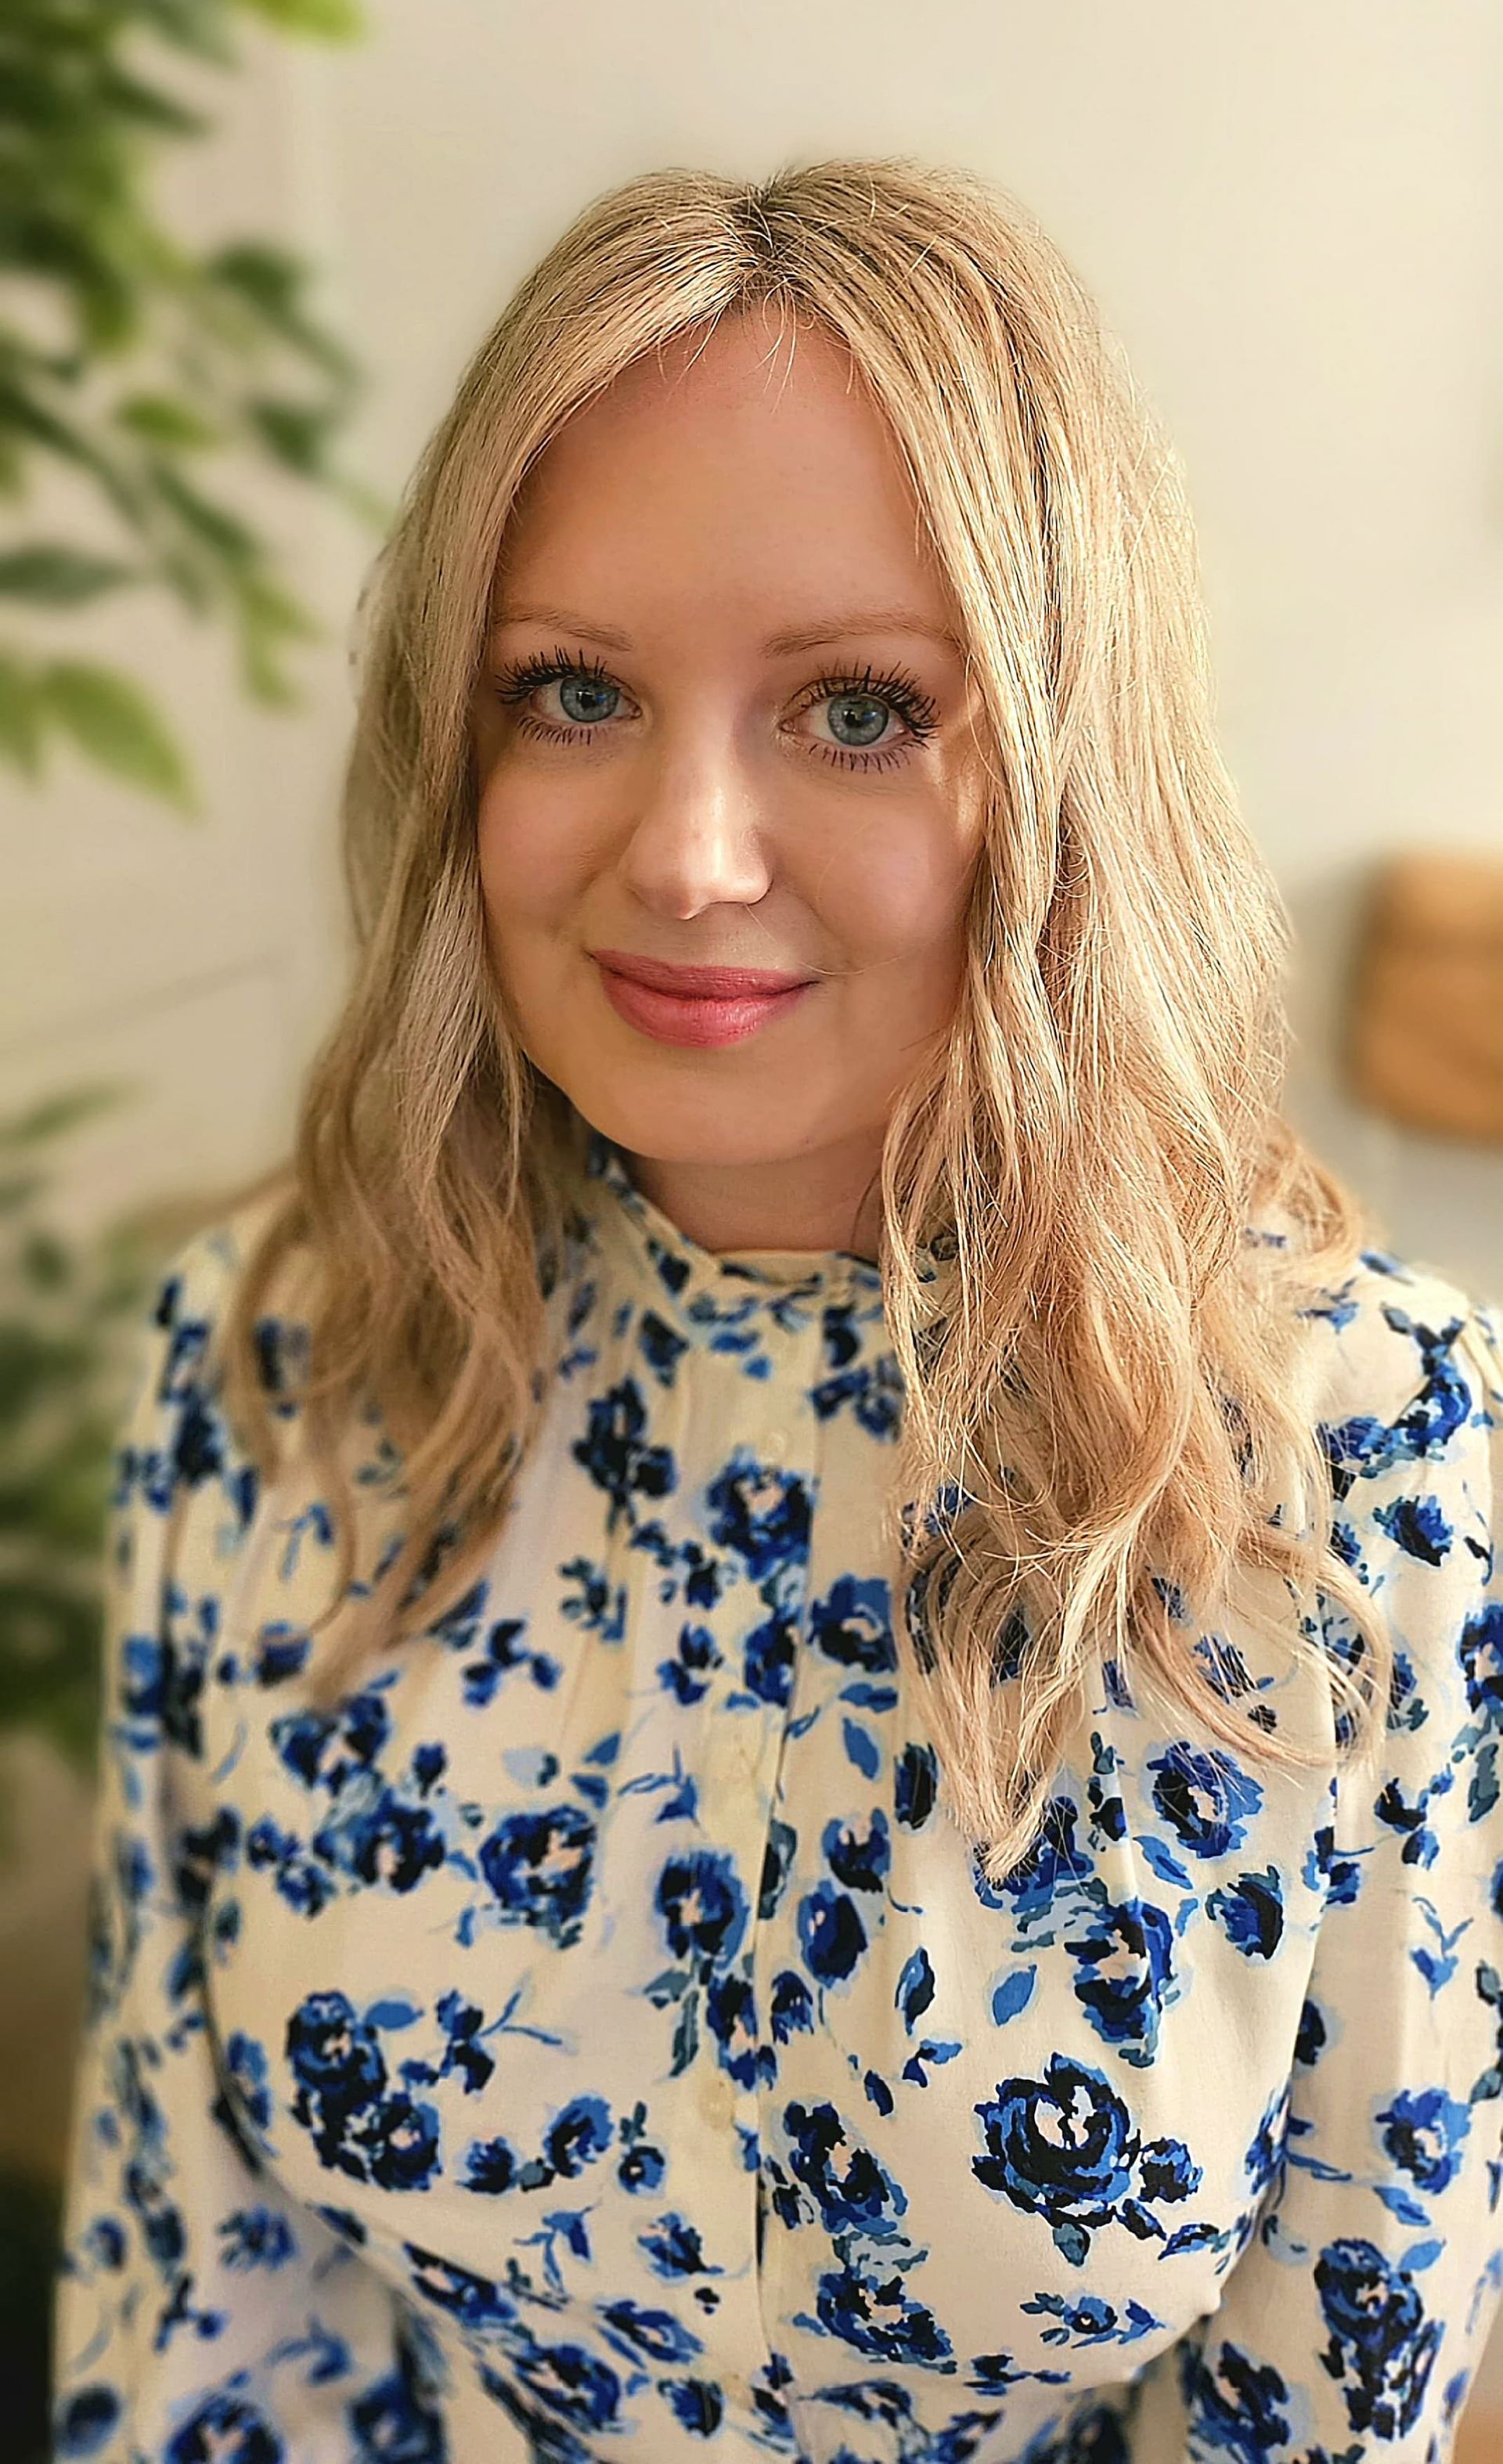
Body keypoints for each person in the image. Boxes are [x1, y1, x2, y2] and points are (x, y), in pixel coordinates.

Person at [51, 158, 1503, 2464]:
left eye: (852, 711)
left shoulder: (1356, 1447)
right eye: (574, 690)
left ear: (1059, 767)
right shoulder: (277, 1359)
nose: (689, 853)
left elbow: (1333, 2384)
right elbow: (201, 2288)